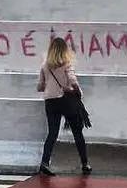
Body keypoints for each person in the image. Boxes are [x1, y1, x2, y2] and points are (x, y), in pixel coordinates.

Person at [36, 37, 91, 176]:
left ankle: (44, 162)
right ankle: (85, 164)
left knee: (52, 133)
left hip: (50, 101)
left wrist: (50, 87)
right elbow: (72, 79)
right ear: (64, 49)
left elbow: (39, 86)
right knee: (77, 132)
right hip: (66, 101)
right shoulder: (66, 63)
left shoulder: (45, 65)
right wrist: (78, 91)